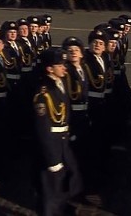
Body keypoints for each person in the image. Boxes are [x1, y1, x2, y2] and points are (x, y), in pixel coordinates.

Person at [33, 47, 83, 216]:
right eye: (60, 65)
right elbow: (42, 129)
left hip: (62, 140)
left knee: (68, 176)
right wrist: (52, 158)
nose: (64, 68)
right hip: (52, 143)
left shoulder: (59, 84)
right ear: (49, 69)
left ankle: (61, 207)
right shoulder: (44, 94)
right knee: (50, 184)